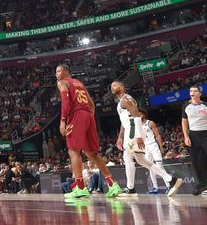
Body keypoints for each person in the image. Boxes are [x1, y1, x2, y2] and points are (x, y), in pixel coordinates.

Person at [55, 64, 122, 199]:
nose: (56, 74)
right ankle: (112, 184)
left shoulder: (62, 82)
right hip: (89, 115)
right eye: (56, 72)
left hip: (77, 115)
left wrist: (63, 121)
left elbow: (66, 103)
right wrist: (88, 118)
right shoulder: (79, 83)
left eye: (58, 71)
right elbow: (91, 103)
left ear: (66, 71)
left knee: (73, 151)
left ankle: (80, 187)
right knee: (92, 154)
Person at [110, 81, 181, 197]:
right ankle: (170, 179)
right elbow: (124, 122)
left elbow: (137, 116)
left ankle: (130, 188)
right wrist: (120, 137)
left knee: (127, 156)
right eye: (111, 86)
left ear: (122, 87)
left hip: (134, 131)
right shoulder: (121, 101)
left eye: (115, 85)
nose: (112, 87)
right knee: (141, 160)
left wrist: (138, 135)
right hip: (130, 131)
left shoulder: (126, 100)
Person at [181, 85, 207, 195]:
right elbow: (184, 122)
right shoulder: (186, 106)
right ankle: (203, 184)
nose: (192, 92)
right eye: (191, 90)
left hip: (205, 133)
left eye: (195, 91)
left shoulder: (205, 106)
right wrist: (186, 136)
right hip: (193, 136)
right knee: (197, 161)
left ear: (200, 94)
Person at [139, 110, 166, 194]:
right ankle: (155, 188)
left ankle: (169, 185)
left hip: (153, 145)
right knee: (150, 167)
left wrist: (161, 147)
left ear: (144, 114)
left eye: (140, 113)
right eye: (138, 113)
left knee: (159, 166)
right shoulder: (137, 125)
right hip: (145, 148)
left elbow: (157, 135)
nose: (139, 115)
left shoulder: (150, 123)